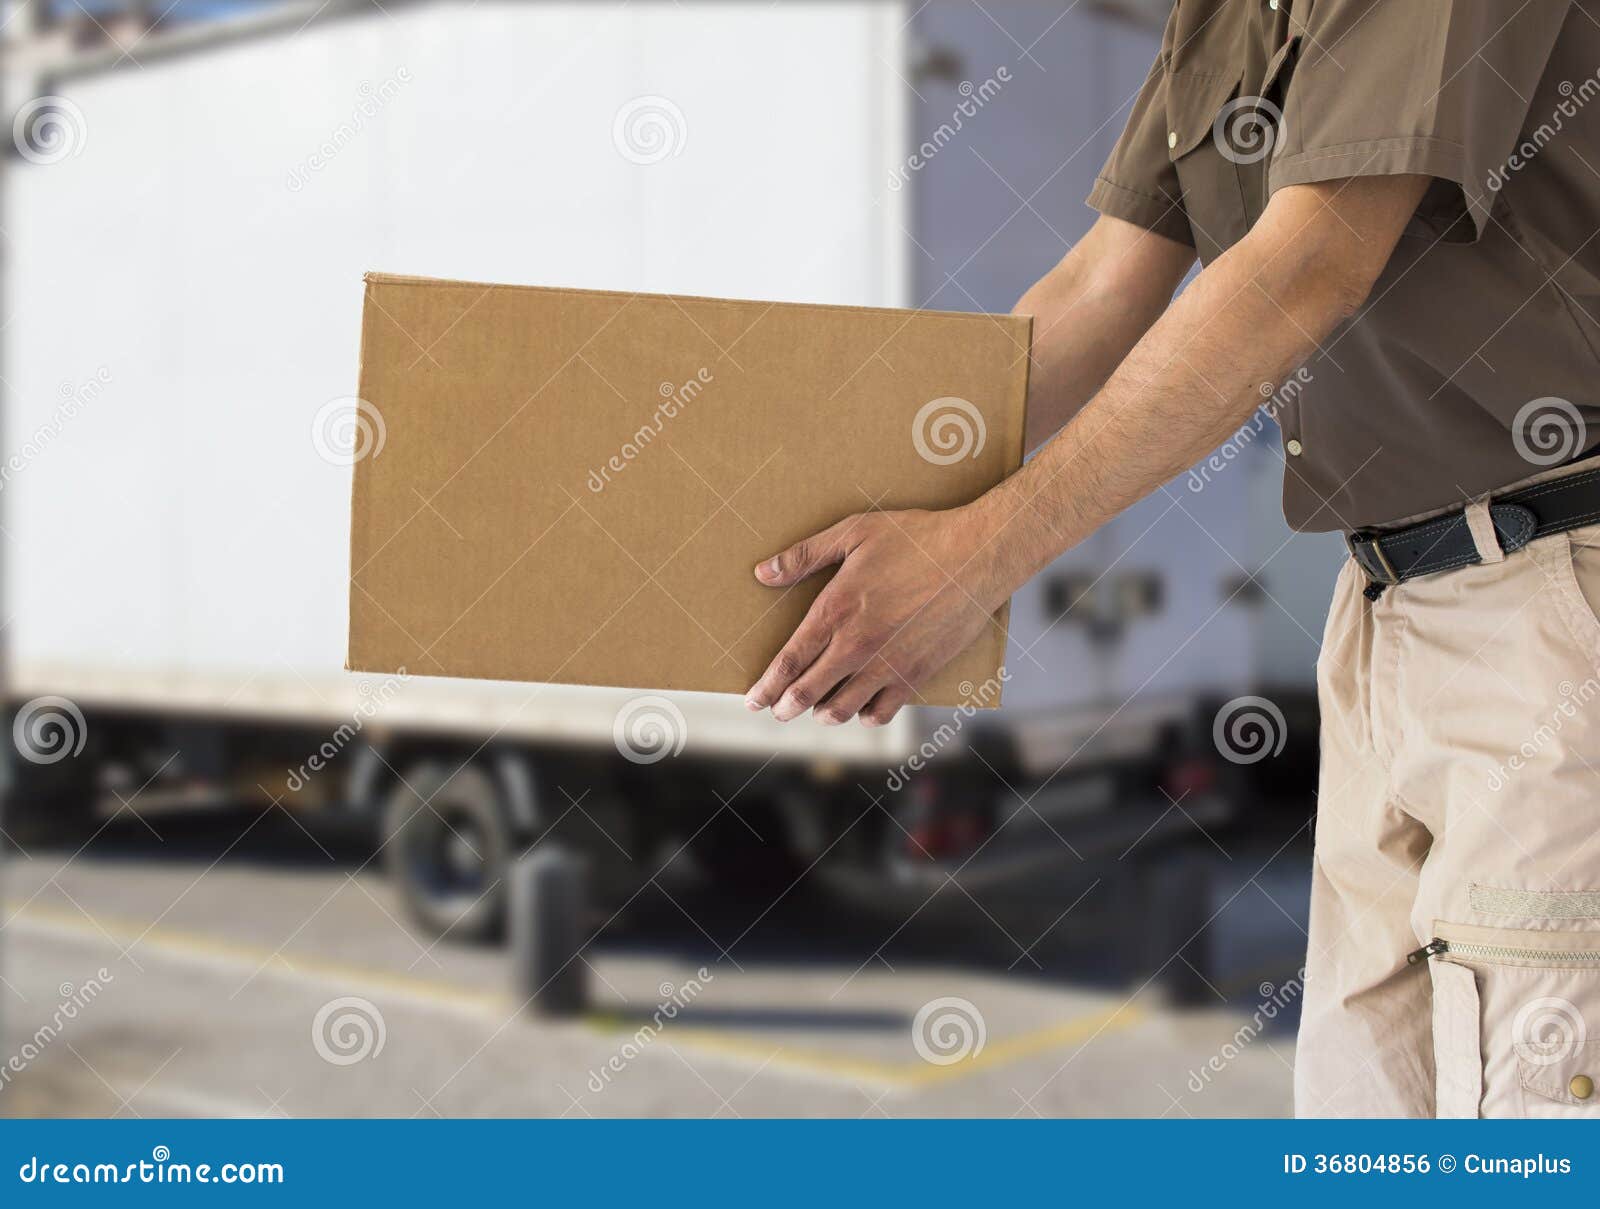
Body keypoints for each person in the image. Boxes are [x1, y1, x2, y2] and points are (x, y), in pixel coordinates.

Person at [742, 0, 1600, 1118]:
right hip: (1386, 603)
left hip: (1550, 596)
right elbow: (1100, 291)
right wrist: (792, 498)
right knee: (1366, 1116)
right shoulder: (1222, 17)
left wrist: (968, 558)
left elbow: (1303, 266)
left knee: (1532, 1121)